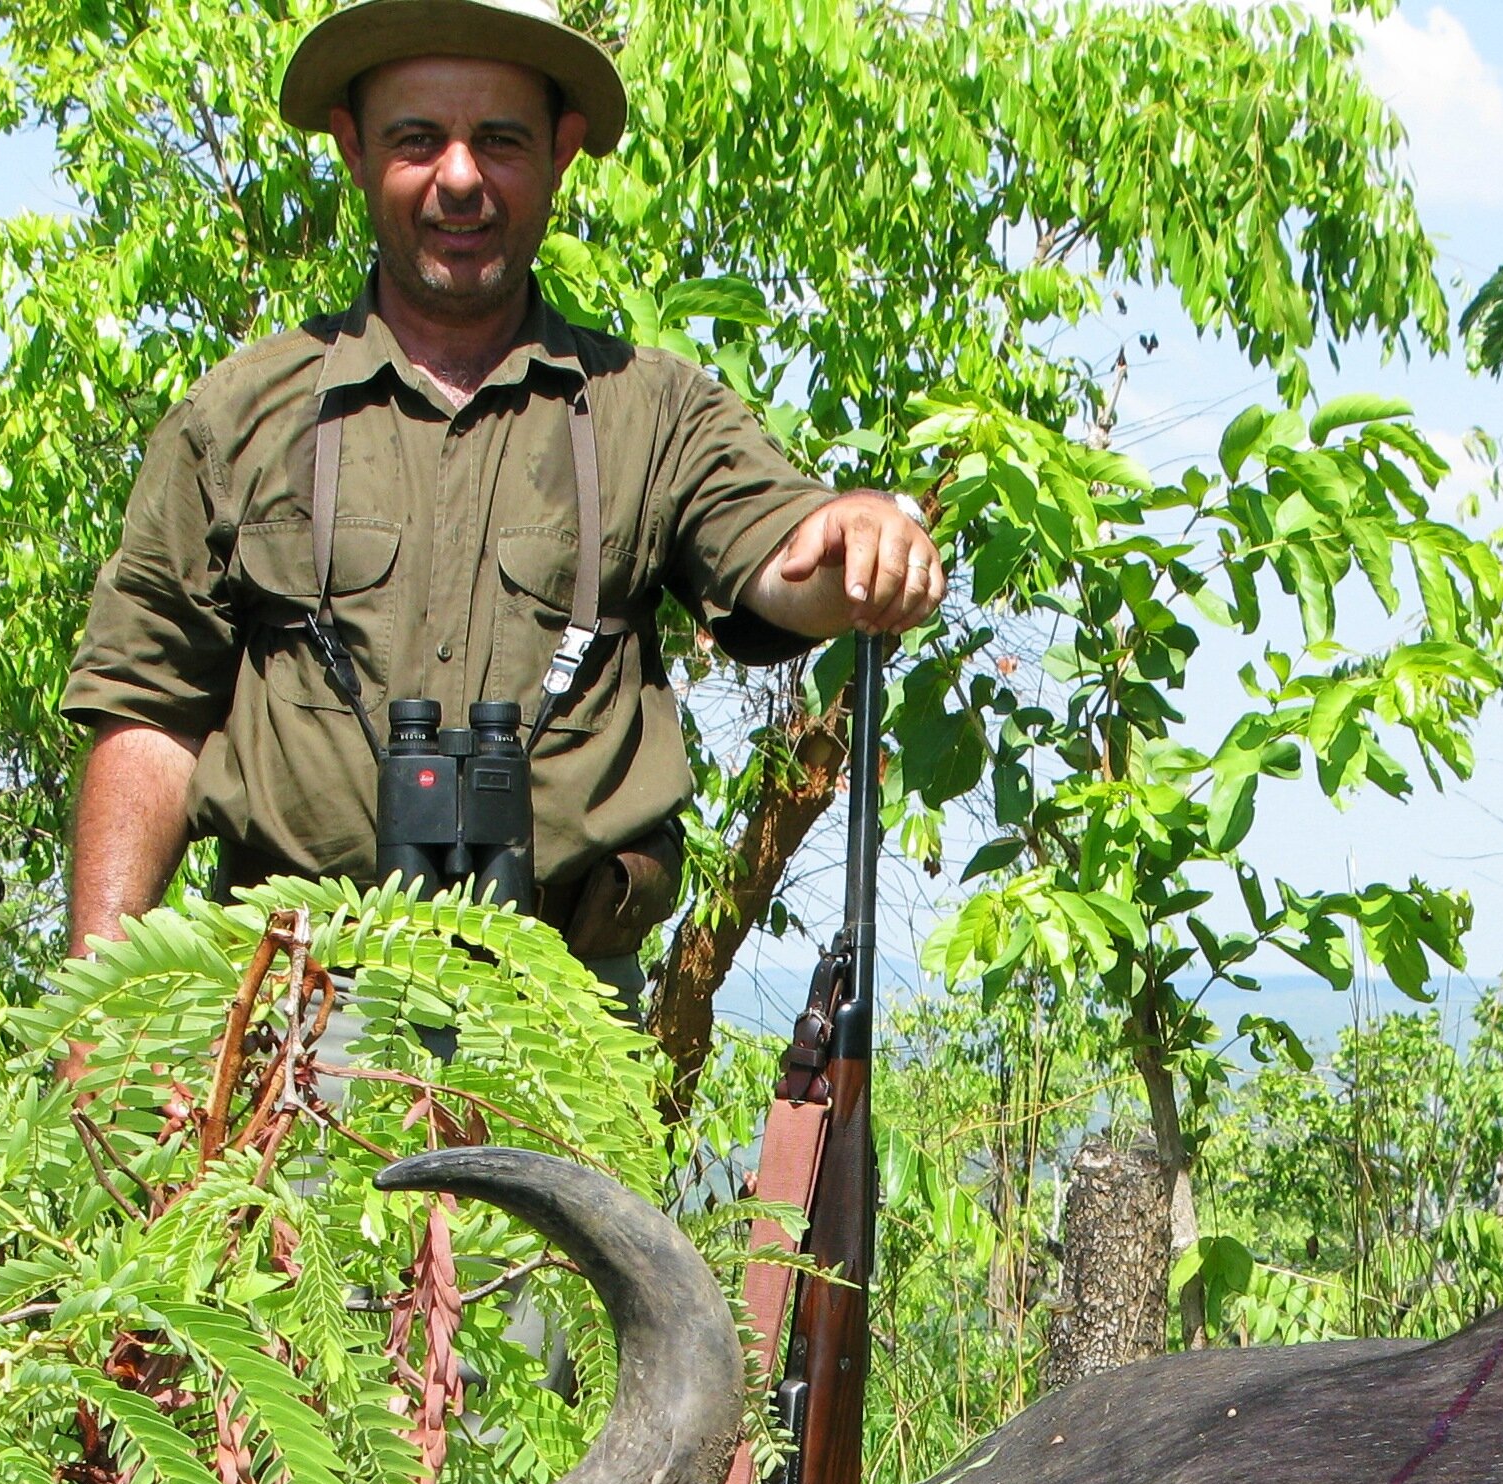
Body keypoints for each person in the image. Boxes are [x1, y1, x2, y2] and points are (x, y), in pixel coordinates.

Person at [61, 0, 946, 1006]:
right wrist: (100, 1009)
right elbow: (146, 712)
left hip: (559, 1018)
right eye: (415, 139)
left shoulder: (647, 411)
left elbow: (783, 554)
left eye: (499, 140)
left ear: (561, 153)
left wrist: (857, 538)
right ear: (352, 148)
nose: (459, 178)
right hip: (282, 1015)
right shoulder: (239, 414)